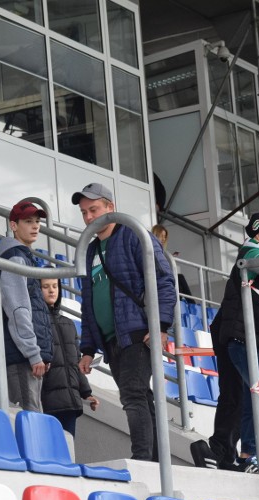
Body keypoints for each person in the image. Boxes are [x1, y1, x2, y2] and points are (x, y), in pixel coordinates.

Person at [73, 183, 176, 461]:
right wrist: (87, 348)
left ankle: (143, 459)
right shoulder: (90, 249)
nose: (89, 218)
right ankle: (155, 460)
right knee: (140, 395)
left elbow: (164, 280)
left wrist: (161, 327)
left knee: (132, 394)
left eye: (94, 210)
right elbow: (89, 303)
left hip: (137, 333)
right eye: (84, 213)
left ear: (110, 207)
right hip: (110, 340)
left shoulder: (134, 235)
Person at [191, 214, 259, 472]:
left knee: (252, 399)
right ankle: (231, 453)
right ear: (257, 236)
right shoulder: (250, 256)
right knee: (247, 397)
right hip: (240, 339)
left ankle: (232, 455)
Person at [0, 200, 53, 411]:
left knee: (33, 418)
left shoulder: (25, 257)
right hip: (21, 356)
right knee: (29, 419)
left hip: (25, 355)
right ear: (14, 225)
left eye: (37, 221)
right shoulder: (15, 258)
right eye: (28, 221)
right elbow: (18, 310)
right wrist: (33, 353)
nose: (35, 226)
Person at [40, 277, 99, 437]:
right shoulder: (35, 322)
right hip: (47, 401)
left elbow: (76, 362)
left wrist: (86, 393)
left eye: (55, 286)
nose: (52, 290)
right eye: (46, 286)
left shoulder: (69, 323)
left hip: (69, 402)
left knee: (68, 451)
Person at [151, 224, 193, 297]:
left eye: (165, 237)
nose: (164, 239)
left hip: (162, 278)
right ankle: (192, 304)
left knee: (179, 278)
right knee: (179, 278)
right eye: (161, 236)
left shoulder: (162, 252)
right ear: (155, 235)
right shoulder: (151, 250)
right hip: (157, 279)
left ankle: (191, 304)